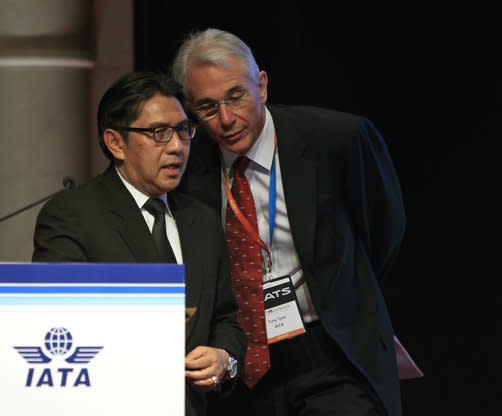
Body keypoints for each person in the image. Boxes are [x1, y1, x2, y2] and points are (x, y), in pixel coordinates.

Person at [171, 28, 406, 416]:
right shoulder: (189, 174)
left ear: (260, 86)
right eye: (209, 108)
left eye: (236, 96)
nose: (227, 119)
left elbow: (384, 233)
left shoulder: (335, 139)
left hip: (333, 352)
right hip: (242, 370)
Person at [32, 71, 246, 416]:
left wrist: (225, 358)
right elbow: (61, 320)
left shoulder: (202, 220)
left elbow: (227, 319)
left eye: (183, 131)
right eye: (159, 133)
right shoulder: (73, 215)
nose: (177, 146)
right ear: (115, 143)